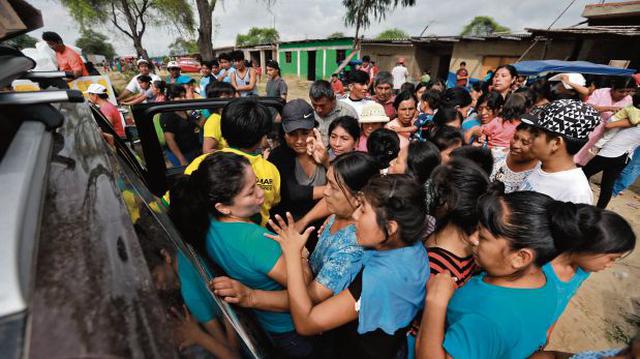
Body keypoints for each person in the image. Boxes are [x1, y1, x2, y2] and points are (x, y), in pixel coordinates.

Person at [169, 152, 315, 358]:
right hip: (291, 330)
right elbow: (304, 289)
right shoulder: (254, 240)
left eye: (256, 183)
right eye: (250, 192)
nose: (261, 195)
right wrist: (299, 254)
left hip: (268, 327)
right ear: (223, 207)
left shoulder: (208, 223)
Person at [267, 174, 429, 359]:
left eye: (364, 210)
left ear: (391, 228)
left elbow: (306, 323)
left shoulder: (381, 279)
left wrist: (293, 255)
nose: (355, 215)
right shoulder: (412, 247)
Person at [417, 189, 592, 359]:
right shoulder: (545, 279)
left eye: (483, 237)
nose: (472, 238)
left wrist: (436, 302)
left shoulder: (485, 320)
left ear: (520, 257)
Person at [210, 152, 380, 321]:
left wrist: (251, 296)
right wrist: (304, 221)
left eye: (334, 187)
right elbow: (330, 201)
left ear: (359, 199)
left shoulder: (353, 248)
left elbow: (310, 297)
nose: (325, 192)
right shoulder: (341, 208)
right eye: (327, 182)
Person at [183, 98, 279, 226]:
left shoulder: (201, 162)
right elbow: (274, 202)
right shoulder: (271, 170)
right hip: (256, 236)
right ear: (262, 136)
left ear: (223, 131)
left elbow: (177, 200)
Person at [542, 204, 635, 327]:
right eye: (612, 258)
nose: (610, 265)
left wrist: (549, 329)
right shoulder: (539, 269)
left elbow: (561, 303)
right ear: (589, 246)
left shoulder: (582, 272)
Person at [519, 99, 600, 204]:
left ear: (556, 143)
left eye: (536, 134)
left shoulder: (576, 194)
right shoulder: (540, 165)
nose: (528, 139)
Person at [269, 99, 328, 222]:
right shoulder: (277, 156)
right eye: (292, 134)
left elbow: (343, 181)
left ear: (314, 130)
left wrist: (326, 161)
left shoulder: (324, 152)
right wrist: (333, 191)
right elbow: (291, 192)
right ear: (284, 134)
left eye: (305, 133)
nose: (299, 140)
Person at [574, 77, 635, 166]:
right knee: (575, 153)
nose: (624, 94)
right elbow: (586, 107)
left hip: (605, 133)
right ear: (613, 87)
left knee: (587, 160)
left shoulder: (628, 99)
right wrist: (608, 108)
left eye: (628, 91)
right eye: (621, 91)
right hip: (588, 128)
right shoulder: (601, 92)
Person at [582, 120, 640, 208]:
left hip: (610, 153)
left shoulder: (633, 119)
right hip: (625, 157)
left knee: (582, 173)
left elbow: (609, 125)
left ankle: (572, 200)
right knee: (607, 185)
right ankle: (600, 211)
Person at [490, 123, 540, 193]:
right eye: (515, 138)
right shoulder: (495, 155)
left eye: (525, 143)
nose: (515, 145)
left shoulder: (537, 178)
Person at [160, 85, 202, 166]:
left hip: (193, 150)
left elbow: (200, 123)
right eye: (179, 97)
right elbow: (170, 140)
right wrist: (181, 159)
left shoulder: (186, 110)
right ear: (171, 98)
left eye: (184, 96)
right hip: (180, 154)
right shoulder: (168, 115)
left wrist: (194, 111)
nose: (183, 99)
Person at [310, 80, 358, 145]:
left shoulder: (348, 113)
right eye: (314, 105)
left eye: (322, 105)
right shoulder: (308, 112)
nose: (318, 109)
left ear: (333, 100)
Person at [202, 82, 236, 153]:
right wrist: (234, 155)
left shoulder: (230, 116)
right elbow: (207, 150)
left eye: (232, 97)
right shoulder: (215, 120)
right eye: (225, 99)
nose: (230, 101)